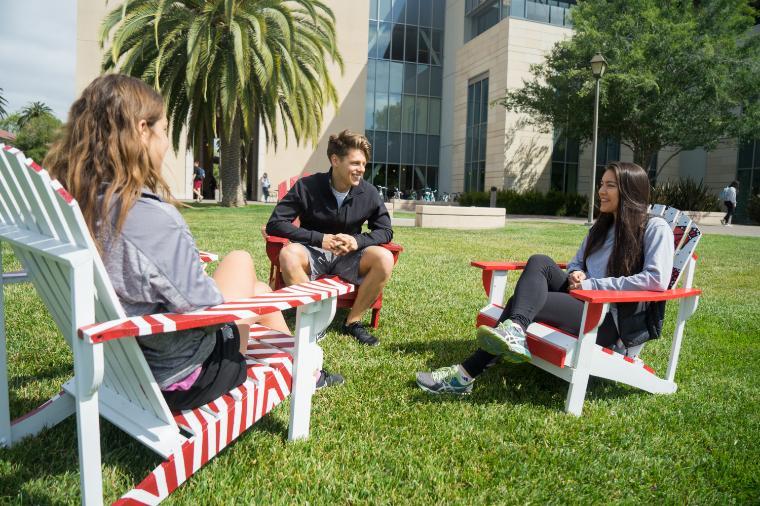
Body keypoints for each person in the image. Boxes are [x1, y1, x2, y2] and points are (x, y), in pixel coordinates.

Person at [44, 74, 338, 412]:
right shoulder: (146, 216)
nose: (166, 143)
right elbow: (210, 312)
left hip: (117, 361)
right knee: (240, 260)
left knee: (259, 289)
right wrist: (198, 280)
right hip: (185, 375)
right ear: (142, 130)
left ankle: (306, 371)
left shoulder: (83, 203)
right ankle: (308, 364)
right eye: (165, 130)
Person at [416, 162, 674, 395]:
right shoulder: (603, 226)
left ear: (629, 190)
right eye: (601, 184)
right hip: (581, 299)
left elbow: (656, 280)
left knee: (522, 301)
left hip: (607, 318)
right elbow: (577, 261)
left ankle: (466, 374)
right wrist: (575, 272)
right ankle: (515, 329)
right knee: (540, 261)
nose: (601, 191)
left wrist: (593, 284)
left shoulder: (654, 228)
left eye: (610, 186)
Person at [266, 130, 396, 346]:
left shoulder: (369, 193)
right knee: (288, 254)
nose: (361, 170)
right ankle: (315, 320)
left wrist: (358, 241)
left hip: (350, 255)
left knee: (384, 258)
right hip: (312, 253)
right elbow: (276, 223)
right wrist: (320, 239)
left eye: (363, 164)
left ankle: (353, 322)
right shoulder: (308, 187)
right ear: (335, 160)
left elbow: (385, 230)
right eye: (355, 163)